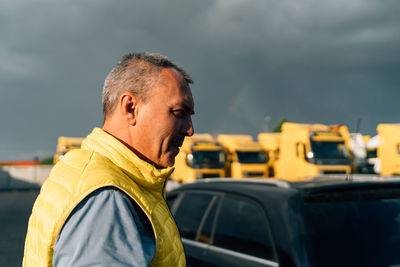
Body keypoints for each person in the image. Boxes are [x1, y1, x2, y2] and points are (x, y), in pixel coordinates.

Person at [23, 52, 195, 266]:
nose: (190, 130)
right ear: (130, 108)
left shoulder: (81, 168)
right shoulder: (108, 197)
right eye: (179, 112)